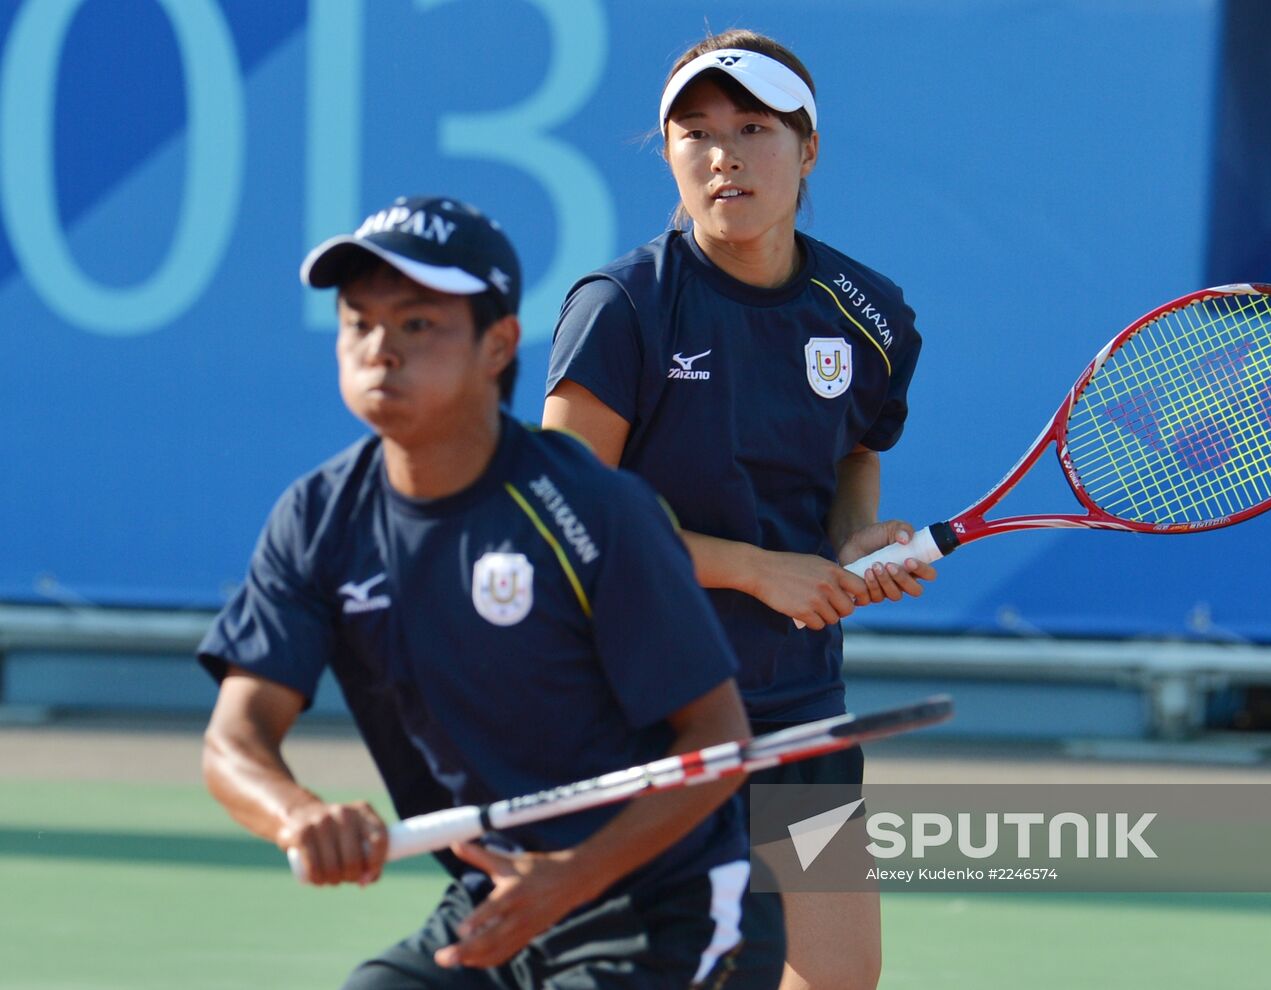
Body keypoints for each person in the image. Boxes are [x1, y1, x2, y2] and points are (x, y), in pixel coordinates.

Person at [198, 195, 785, 990]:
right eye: (358, 323)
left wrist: (568, 878)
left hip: (665, 905)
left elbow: (715, 743)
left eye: (416, 325)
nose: (379, 350)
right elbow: (235, 741)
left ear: (498, 345)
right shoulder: (317, 519)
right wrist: (298, 814)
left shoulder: (593, 509)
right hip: (495, 903)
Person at [542, 31, 934, 990]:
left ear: (808, 149)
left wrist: (851, 539)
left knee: (837, 977)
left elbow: (852, 454)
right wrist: (757, 567)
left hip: (797, 699)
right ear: (669, 155)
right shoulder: (624, 308)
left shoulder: (867, 315)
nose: (724, 155)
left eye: (754, 127)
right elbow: (563, 521)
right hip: (642, 702)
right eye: (697, 132)